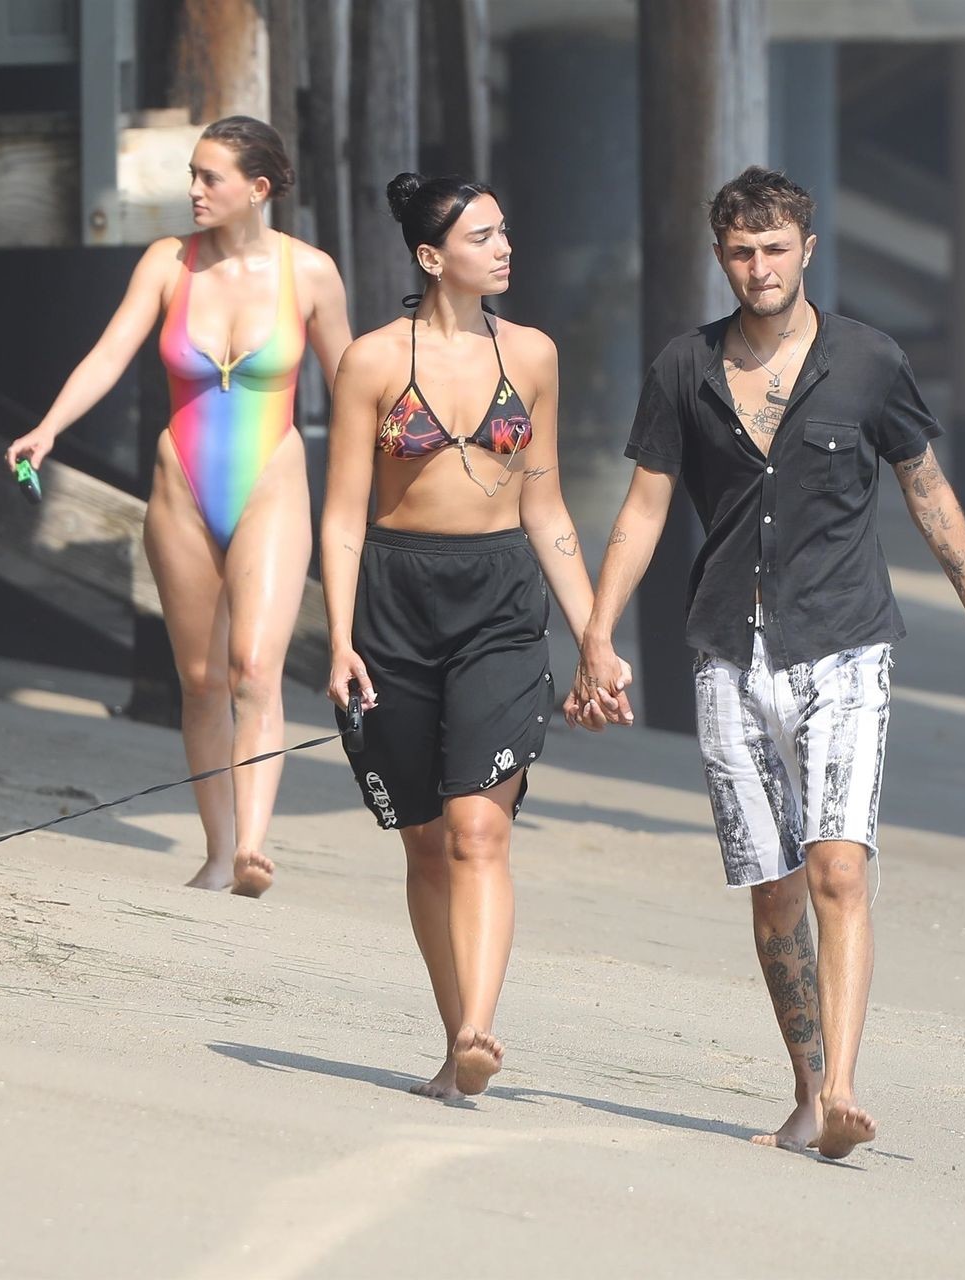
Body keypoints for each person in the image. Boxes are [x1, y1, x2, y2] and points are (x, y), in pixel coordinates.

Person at [567, 166, 965, 1158]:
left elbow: (928, 491)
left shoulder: (869, 361)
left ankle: (847, 1088)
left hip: (846, 644)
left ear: (807, 250)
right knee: (772, 887)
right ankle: (810, 1091)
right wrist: (598, 634)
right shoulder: (684, 368)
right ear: (720, 256)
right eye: (741, 251)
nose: (759, 267)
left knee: (837, 867)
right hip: (728, 653)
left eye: (775, 249)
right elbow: (645, 507)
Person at [321, 173, 615, 1098]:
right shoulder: (372, 361)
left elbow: (547, 507)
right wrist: (337, 639)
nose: (503, 247)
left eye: (504, 231)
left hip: (500, 603)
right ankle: (455, 1044)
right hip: (394, 600)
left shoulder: (532, 354)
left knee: (477, 829)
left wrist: (594, 636)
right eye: (481, 236)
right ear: (430, 256)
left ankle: (480, 1029)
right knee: (424, 842)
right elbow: (341, 515)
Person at [7, 117, 351, 898]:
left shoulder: (310, 273)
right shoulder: (168, 263)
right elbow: (109, 353)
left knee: (254, 670)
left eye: (209, 177)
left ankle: (254, 848)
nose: (192, 190)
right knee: (201, 682)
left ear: (257, 188)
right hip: (181, 491)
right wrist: (48, 428)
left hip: (271, 486)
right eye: (191, 174)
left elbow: (353, 388)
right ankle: (219, 851)